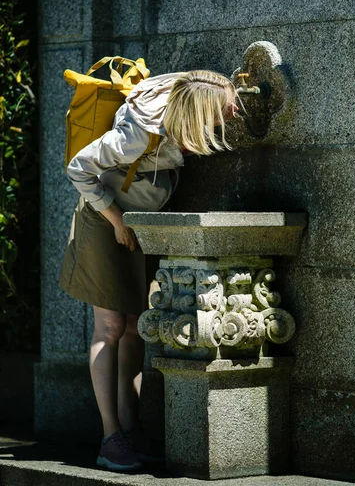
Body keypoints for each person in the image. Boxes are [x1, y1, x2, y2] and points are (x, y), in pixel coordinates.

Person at [59, 69, 239, 472]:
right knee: (108, 328)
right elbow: (78, 168)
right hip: (104, 222)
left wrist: (233, 88)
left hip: (137, 224)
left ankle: (131, 427)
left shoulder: (189, 98)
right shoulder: (137, 134)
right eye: (223, 112)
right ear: (198, 112)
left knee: (134, 326)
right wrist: (118, 223)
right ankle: (110, 438)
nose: (231, 115)